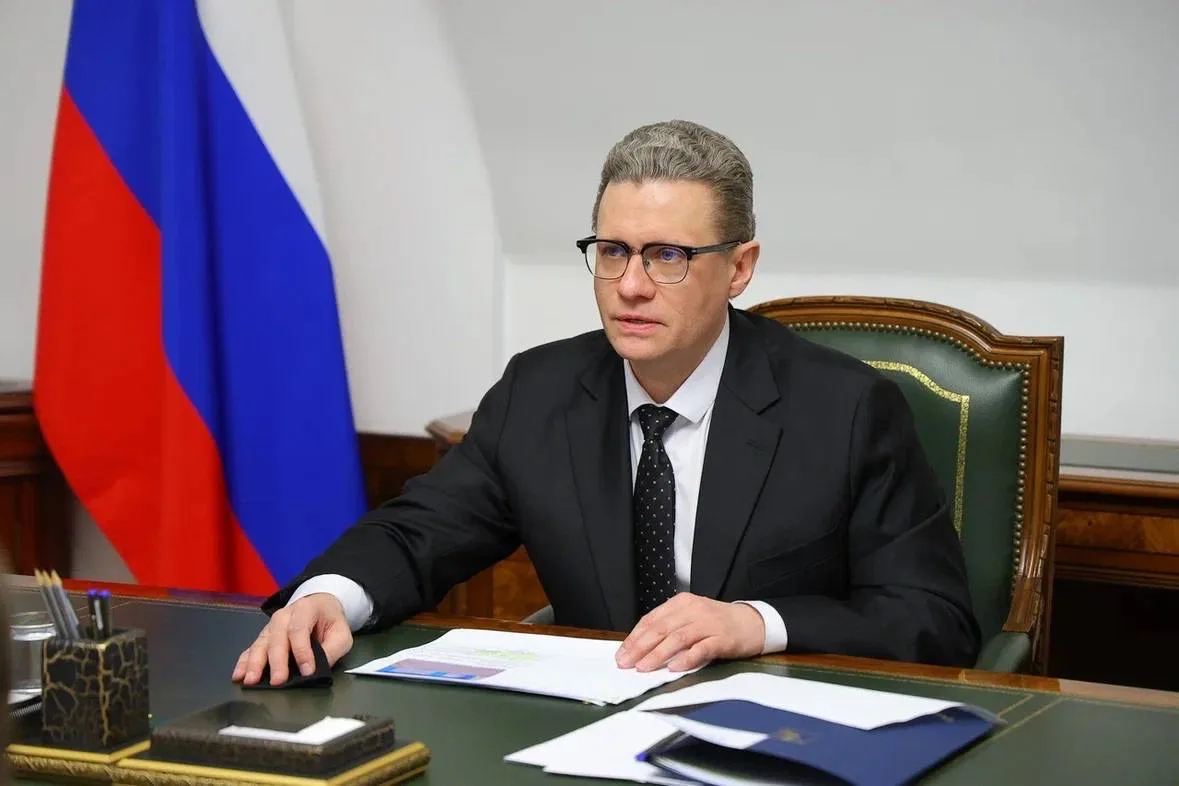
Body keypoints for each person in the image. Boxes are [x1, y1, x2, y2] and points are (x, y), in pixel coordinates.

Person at [233, 119, 980, 687]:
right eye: (613, 251)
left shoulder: (845, 410)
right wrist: (329, 596)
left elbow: (933, 620)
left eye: (668, 256)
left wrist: (755, 624)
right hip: (590, 728)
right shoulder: (541, 392)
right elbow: (419, 532)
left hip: (776, 733)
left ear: (739, 268)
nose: (630, 286)